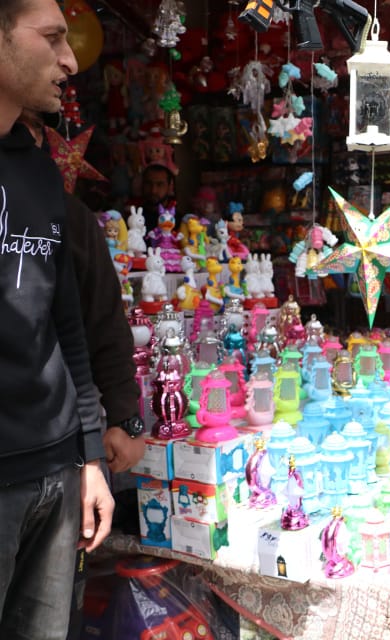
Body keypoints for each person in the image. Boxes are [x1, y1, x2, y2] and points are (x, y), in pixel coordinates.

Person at [0, 2, 114, 639]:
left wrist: (89, 455)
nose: (70, 61)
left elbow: (66, 326)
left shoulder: (41, 173)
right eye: (51, 39)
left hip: (56, 475)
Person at [19, 109, 145, 473]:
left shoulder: (70, 217)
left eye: (27, 135)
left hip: (61, 429)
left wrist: (125, 418)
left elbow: (102, 320)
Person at [137, 162, 175, 230]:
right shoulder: (134, 219)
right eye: (148, 184)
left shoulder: (180, 222)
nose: (153, 190)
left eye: (160, 184)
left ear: (170, 187)